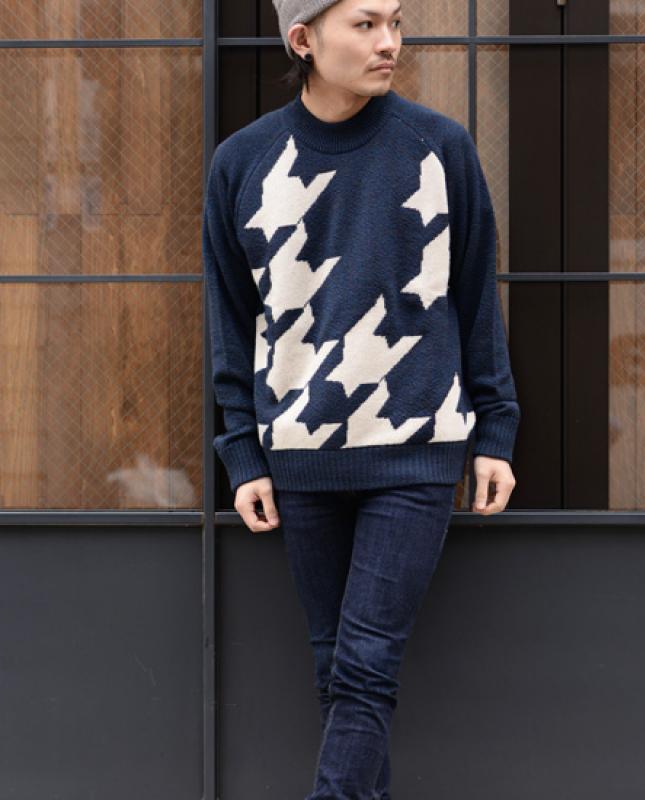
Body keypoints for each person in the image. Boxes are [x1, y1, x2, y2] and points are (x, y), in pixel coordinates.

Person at [202, 1, 521, 795]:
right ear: (303, 40)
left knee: (366, 662)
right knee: (337, 669)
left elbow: (476, 296)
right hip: (299, 452)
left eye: (396, 23)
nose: (389, 43)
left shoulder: (438, 147)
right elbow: (230, 322)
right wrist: (241, 452)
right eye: (366, 25)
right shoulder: (243, 163)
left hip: (415, 447)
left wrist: (495, 430)